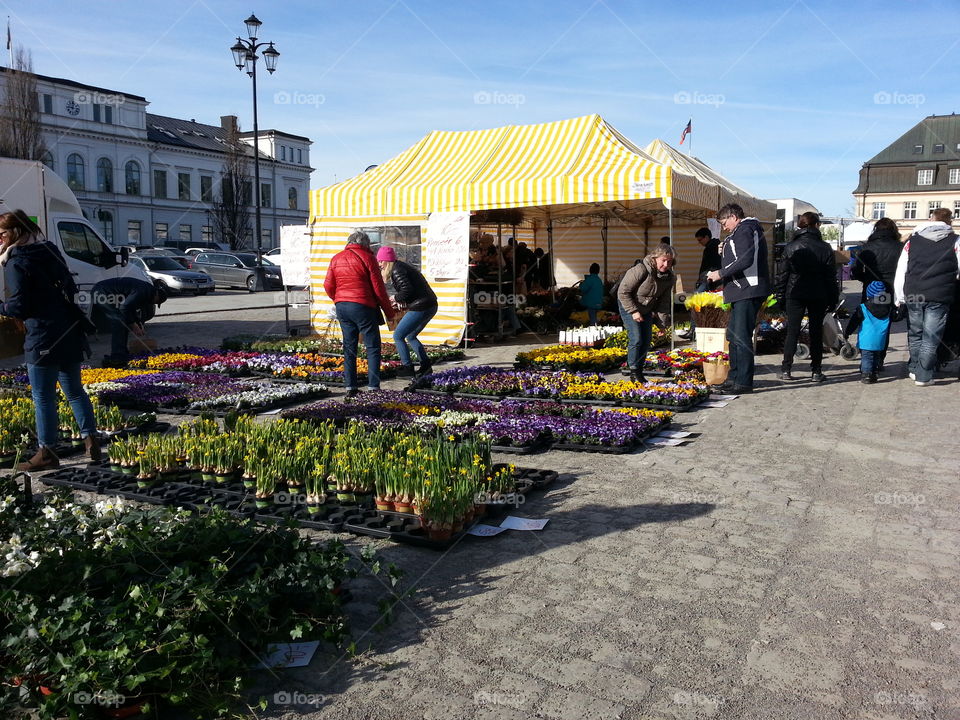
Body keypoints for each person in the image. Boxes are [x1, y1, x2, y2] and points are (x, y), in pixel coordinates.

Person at [0, 209, 100, 470]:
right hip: (68, 331)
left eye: (2, 234)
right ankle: (91, 440)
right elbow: (69, 287)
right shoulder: (50, 250)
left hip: (42, 336)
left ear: (16, 233)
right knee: (75, 391)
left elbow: (18, 307)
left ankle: (47, 453)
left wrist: (1, 306)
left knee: (43, 397)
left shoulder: (16, 261)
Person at [706, 203, 770, 393]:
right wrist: (725, 249)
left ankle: (743, 381)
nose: (723, 227)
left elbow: (745, 260)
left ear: (733, 217)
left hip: (747, 290)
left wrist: (721, 273)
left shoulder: (744, 230)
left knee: (740, 337)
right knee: (733, 335)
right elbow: (739, 256)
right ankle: (733, 377)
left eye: (724, 222)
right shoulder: (741, 232)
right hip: (742, 290)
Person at [894, 207, 960, 386]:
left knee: (915, 333)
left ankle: (915, 369)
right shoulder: (956, 240)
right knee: (931, 337)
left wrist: (899, 296)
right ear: (949, 222)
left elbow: (902, 269)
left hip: (914, 292)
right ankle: (923, 375)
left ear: (931, 219)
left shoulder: (912, 241)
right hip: (940, 294)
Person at [324, 231, 394, 397]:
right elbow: (379, 289)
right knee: (372, 346)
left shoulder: (336, 258)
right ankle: (373, 387)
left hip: (342, 307)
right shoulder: (368, 258)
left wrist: (338, 298)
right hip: (363, 306)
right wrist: (389, 312)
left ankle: (350, 387)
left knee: (349, 347)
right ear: (366, 244)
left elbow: (328, 285)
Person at [773, 212, 839, 382]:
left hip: (794, 293)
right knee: (816, 332)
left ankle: (786, 369)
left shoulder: (791, 246)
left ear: (800, 227)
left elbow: (782, 276)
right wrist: (833, 298)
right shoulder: (825, 248)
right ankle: (816, 371)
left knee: (792, 332)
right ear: (816, 225)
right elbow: (830, 277)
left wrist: (780, 297)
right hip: (818, 293)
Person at [617, 244, 676, 382]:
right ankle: (633, 371)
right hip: (628, 305)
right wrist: (633, 311)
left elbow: (664, 303)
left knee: (647, 340)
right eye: (663, 260)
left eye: (670, 261)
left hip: (647, 309)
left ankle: (639, 372)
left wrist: (662, 324)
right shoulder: (640, 269)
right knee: (637, 338)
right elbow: (623, 292)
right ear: (655, 258)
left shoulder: (669, 278)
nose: (666, 264)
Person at [376, 246, 438, 378]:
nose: (379, 264)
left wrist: (395, 298)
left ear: (387, 261)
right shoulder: (401, 267)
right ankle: (426, 366)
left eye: (381, 261)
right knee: (410, 335)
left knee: (398, 336)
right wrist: (402, 301)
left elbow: (407, 290)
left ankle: (407, 368)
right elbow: (412, 290)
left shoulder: (397, 270)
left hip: (421, 306)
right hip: (429, 304)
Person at [850, 217, 902, 371]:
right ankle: (879, 360)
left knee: (865, 322)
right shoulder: (900, 247)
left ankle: (866, 359)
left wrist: (867, 280)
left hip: (870, 290)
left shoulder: (866, 248)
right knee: (884, 325)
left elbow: (856, 271)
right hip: (891, 291)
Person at [92, 277, 167, 368]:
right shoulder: (143, 291)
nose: (154, 303)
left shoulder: (147, 291)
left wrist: (138, 323)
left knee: (123, 321)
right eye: (157, 302)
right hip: (101, 292)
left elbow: (131, 308)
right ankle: (117, 357)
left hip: (108, 293)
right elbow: (125, 307)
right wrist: (133, 324)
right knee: (119, 322)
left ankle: (122, 352)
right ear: (157, 296)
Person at [845, 281, 894, 384]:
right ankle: (874, 373)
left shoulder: (863, 308)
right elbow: (897, 317)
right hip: (880, 340)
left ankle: (866, 375)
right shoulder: (888, 309)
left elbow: (854, 322)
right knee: (876, 357)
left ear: (869, 295)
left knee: (867, 357)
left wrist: (847, 332)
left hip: (866, 340)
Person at [695, 227, 722, 292]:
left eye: (700, 240)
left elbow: (709, 266)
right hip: (714, 277)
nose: (699, 242)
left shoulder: (710, 248)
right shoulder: (715, 246)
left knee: (698, 297)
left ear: (706, 237)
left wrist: (704, 277)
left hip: (709, 278)